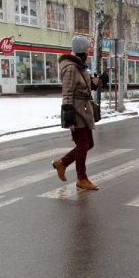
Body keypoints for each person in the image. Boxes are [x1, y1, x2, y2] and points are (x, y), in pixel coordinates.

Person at [52, 35, 100, 190]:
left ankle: (62, 163)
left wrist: (92, 85)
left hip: (84, 110)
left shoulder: (79, 65)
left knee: (88, 144)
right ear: (81, 50)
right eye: (87, 49)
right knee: (83, 144)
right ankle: (81, 178)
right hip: (76, 111)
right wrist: (69, 119)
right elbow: (67, 93)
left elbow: (81, 89)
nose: (89, 51)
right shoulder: (71, 67)